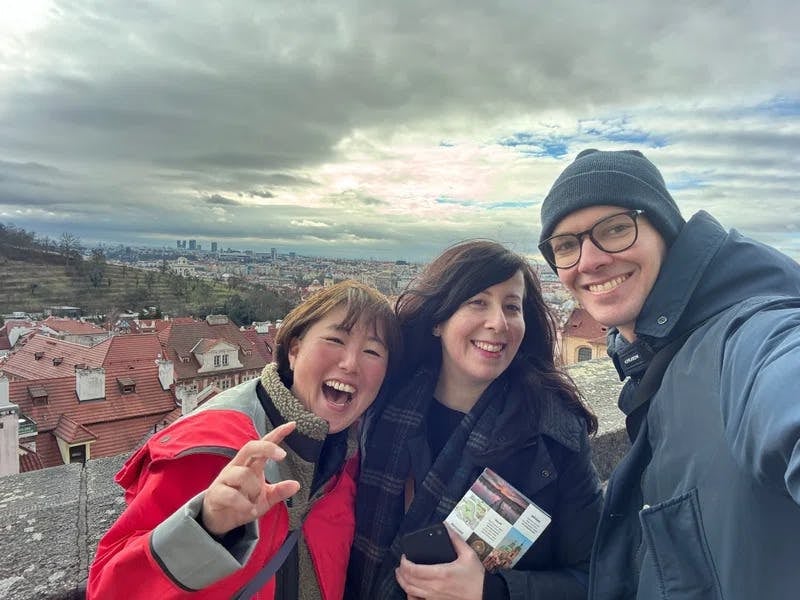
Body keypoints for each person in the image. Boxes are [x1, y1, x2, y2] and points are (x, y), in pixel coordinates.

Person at [538, 148, 800, 599]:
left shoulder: (743, 336)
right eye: (565, 245)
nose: (589, 260)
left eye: (615, 228)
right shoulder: (658, 355)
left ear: (666, 230)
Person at [87, 281, 401, 600]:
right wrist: (207, 526)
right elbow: (109, 591)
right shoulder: (213, 449)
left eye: (372, 351)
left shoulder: (348, 462)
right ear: (294, 350)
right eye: (335, 340)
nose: (350, 363)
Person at [347, 240, 602, 600]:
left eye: (511, 307)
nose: (498, 322)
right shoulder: (376, 401)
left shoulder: (553, 432)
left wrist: (491, 591)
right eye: (478, 302)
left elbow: (597, 577)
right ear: (438, 320)